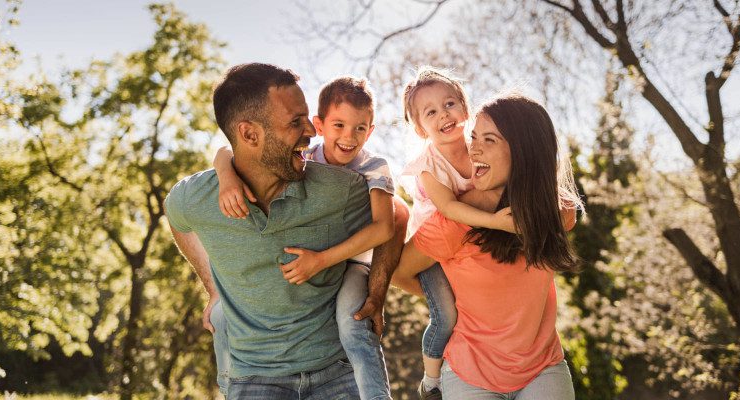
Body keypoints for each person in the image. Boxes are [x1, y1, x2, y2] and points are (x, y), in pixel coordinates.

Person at [165, 63, 400, 399]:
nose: (312, 131)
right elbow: (176, 217)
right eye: (295, 122)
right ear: (249, 135)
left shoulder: (340, 188)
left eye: (307, 117)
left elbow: (396, 218)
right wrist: (213, 288)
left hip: (335, 371)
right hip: (253, 378)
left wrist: (376, 294)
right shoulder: (197, 198)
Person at [392, 93, 581, 400]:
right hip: (470, 374)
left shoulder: (559, 212)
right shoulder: (452, 223)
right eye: (474, 136)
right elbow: (399, 273)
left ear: (524, 150)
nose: (473, 147)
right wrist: (451, 303)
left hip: (542, 367)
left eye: (489, 140)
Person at [398, 66, 515, 399]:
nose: (444, 115)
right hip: (431, 250)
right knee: (446, 314)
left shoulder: (480, 146)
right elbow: (449, 209)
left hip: (465, 242)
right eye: (430, 112)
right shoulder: (427, 165)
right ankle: (431, 380)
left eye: (450, 104)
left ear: (465, 108)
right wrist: (497, 222)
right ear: (420, 128)